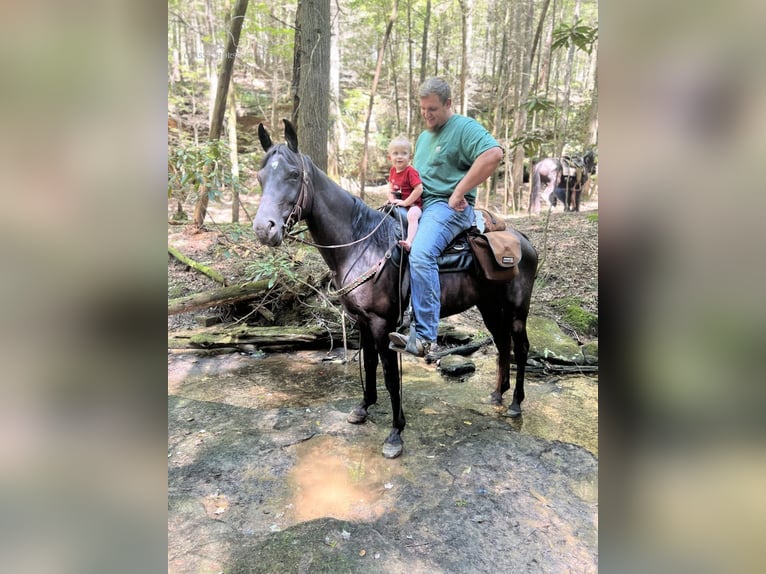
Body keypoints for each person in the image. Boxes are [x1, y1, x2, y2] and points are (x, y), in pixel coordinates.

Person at [388, 77, 503, 358]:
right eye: (423, 109)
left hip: (447, 208)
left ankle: (426, 336)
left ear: (448, 104)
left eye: (433, 109)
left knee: (421, 253)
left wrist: (459, 191)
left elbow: (494, 154)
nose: (427, 115)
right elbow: (419, 177)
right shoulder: (425, 136)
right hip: (421, 204)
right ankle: (398, 316)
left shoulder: (463, 128)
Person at [386, 135, 423, 251]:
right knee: (384, 212)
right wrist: (391, 199)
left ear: (410, 157)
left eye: (404, 153)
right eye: (395, 153)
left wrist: (406, 202)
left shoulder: (410, 172)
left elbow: (419, 189)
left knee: (412, 215)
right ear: (389, 157)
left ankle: (409, 241)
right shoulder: (393, 170)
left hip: (413, 205)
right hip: (400, 203)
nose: (399, 157)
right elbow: (390, 186)